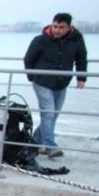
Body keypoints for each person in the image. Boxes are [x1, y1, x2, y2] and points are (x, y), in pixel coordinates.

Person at [24, 12, 87, 158]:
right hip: (42, 82)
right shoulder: (40, 40)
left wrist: (81, 77)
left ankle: (35, 142)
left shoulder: (76, 39)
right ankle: (50, 146)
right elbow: (28, 59)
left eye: (61, 27)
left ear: (69, 27)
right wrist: (31, 77)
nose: (57, 30)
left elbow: (81, 58)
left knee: (53, 115)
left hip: (62, 83)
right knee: (48, 113)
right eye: (55, 26)